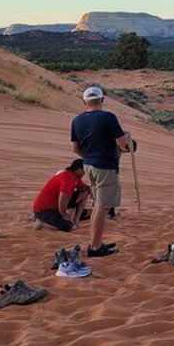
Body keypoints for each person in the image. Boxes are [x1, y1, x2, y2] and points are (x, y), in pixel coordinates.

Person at [71, 86, 131, 257]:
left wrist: (89, 157)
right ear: (102, 100)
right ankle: (95, 246)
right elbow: (122, 145)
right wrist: (126, 138)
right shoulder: (108, 117)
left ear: (85, 101)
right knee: (102, 207)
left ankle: (95, 243)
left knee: (99, 205)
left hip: (88, 165)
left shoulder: (77, 120)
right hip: (105, 166)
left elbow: (75, 148)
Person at [32, 159, 92, 232]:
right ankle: (42, 222)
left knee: (84, 193)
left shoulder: (74, 177)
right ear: (78, 169)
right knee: (70, 228)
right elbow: (63, 200)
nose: (84, 174)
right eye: (84, 171)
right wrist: (65, 216)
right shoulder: (68, 178)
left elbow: (83, 187)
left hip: (55, 205)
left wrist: (90, 190)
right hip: (44, 210)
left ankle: (76, 220)